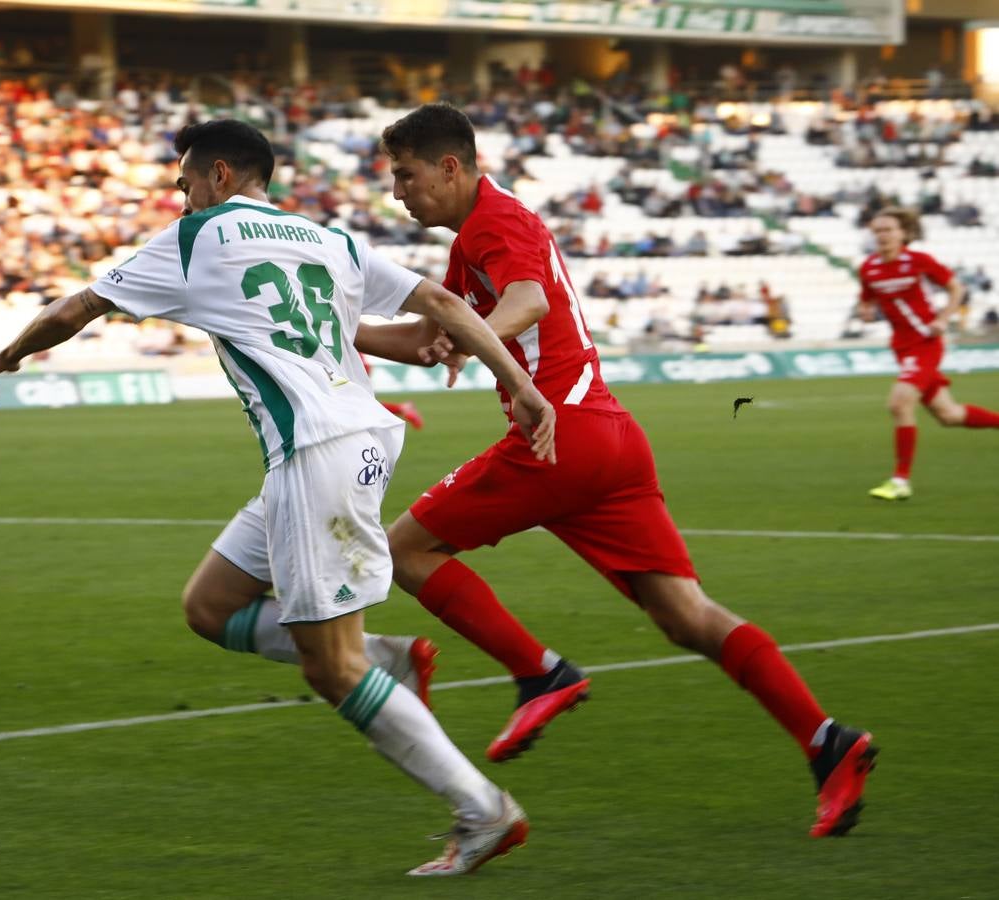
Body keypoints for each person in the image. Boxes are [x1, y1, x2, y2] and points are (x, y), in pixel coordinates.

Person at [0, 119, 558, 876]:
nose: (180, 201)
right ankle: (387, 661)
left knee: (330, 670)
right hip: (350, 443)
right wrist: (521, 384)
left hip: (318, 453)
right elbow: (438, 306)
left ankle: (483, 811)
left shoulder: (194, 240)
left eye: (183, 186)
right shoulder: (328, 240)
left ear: (215, 176)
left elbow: (71, 311)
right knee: (211, 606)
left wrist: (4, 356)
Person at [356, 102, 877, 838]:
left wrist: (471, 339)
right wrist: (333, 328)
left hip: (558, 437)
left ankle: (540, 673)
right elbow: (423, 337)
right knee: (686, 617)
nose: (398, 193)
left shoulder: (492, 224)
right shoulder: (477, 236)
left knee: (406, 548)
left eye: (406, 176)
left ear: (450, 166)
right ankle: (830, 743)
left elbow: (527, 302)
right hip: (608, 439)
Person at [857, 207, 999, 501]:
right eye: (878, 231)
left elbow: (956, 289)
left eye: (889, 230)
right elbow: (867, 296)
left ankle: (900, 481)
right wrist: (865, 309)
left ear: (903, 233)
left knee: (899, 404)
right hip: (902, 348)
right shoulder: (869, 268)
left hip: (926, 343)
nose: (882, 235)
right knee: (949, 415)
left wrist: (943, 318)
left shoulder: (919, 261)